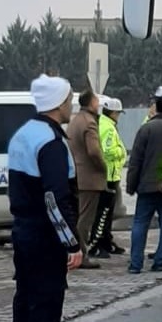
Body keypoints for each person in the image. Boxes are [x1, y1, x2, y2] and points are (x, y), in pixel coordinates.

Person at [6, 75, 85, 322]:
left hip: (24, 233)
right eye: (69, 100)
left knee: (25, 306)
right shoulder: (51, 142)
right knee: (44, 310)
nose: (72, 105)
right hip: (44, 238)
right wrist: (72, 243)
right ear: (58, 103)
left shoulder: (24, 134)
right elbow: (55, 198)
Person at [125, 86, 162, 274]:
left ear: (156, 107)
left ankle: (135, 264)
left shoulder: (146, 129)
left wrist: (131, 186)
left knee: (140, 223)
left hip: (147, 185)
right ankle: (161, 262)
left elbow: (135, 160)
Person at [66, 88, 105, 268]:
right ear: (91, 103)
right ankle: (81, 254)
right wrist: (102, 167)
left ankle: (75, 252)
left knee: (78, 215)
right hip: (89, 177)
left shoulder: (75, 120)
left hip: (77, 174)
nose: (99, 104)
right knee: (85, 219)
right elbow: (94, 151)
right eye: (97, 101)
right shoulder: (89, 122)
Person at [91, 97, 126, 258]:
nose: (118, 116)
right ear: (112, 113)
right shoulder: (108, 128)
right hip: (109, 175)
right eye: (118, 113)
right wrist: (121, 152)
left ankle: (105, 241)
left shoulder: (103, 124)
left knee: (106, 212)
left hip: (109, 174)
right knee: (103, 212)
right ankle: (96, 243)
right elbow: (108, 150)